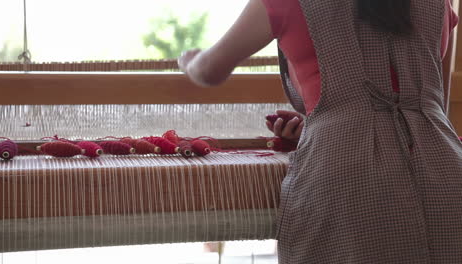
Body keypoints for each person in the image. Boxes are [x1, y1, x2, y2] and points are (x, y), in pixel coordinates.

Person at [179, 0, 462, 262]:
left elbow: (209, 70)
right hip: (444, 167)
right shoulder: (438, 3)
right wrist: (318, 125)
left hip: (347, 175)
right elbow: (413, 101)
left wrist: (189, 60)